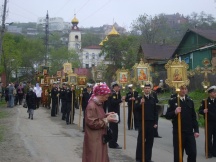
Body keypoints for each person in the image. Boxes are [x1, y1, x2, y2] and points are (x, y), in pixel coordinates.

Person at [82, 83, 117, 162]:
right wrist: (106, 120)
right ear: (101, 95)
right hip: (94, 139)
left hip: (99, 137)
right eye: (106, 97)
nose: (106, 99)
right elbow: (92, 123)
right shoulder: (92, 106)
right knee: (95, 158)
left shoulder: (98, 104)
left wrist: (106, 115)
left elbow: (98, 117)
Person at [166, 85, 199, 162]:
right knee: (178, 155)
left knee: (193, 153)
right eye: (182, 89)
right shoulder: (173, 101)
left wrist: (196, 130)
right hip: (178, 132)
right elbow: (167, 115)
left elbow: (193, 117)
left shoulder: (190, 101)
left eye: (185, 89)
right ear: (178, 90)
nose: (183, 91)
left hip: (189, 132)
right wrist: (175, 112)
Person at [135, 82, 158, 162]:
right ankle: (139, 158)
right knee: (141, 140)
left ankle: (148, 158)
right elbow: (135, 109)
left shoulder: (152, 99)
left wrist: (155, 123)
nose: (147, 90)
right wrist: (140, 104)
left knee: (149, 141)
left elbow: (155, 112)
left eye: (148, 88)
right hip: (142, 122)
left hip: (151, 123)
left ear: (150, 89)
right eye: (145, 88)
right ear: (143, 89)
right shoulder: (139, 98)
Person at [199, 85, 216, 158]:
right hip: (209, 122)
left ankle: (214, 152)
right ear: (210, 93)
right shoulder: (205, 101)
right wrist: (203, 111)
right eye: (214, 92)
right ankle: (208, 152)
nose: (215, 94)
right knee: (208, 137)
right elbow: (200, 110)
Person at [108, 82, 125, 149]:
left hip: (115, 113)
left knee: (114, 129)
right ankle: (112, 143)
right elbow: (113, 102)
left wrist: (120, 97)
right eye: (117, 87)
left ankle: (113, 142)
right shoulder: (113, 94)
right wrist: (120, 100)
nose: (118, 88)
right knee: (113, 129)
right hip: (113, 113)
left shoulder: (116, 93)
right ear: (114, 87)